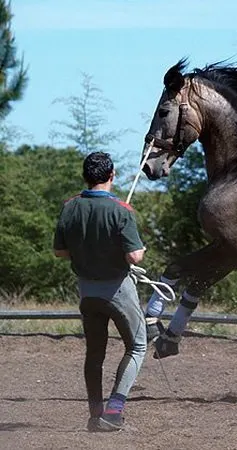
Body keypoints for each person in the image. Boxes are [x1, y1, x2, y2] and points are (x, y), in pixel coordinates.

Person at [53, 152, 147, 432]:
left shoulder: (69, 207)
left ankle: (96, 414)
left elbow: (60, 252)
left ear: (85, 176)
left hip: (87, 294)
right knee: (138, 345)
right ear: (112, 175)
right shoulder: (121, 210)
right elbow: (135, 256)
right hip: (117, 291)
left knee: (95, 354)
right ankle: (114, 411)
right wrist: (137, 250)